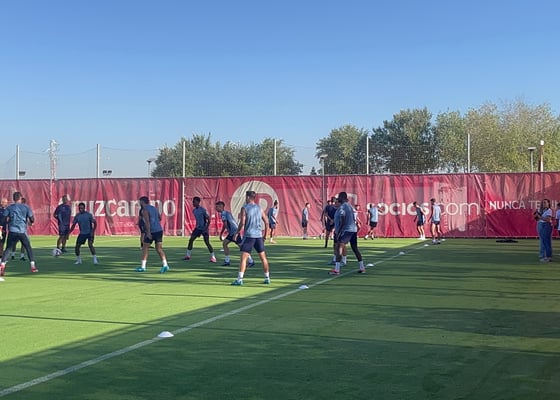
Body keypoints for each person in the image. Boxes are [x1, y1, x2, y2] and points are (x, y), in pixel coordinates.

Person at [231, 191, 271, 286]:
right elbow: (266, 222)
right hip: (258, 236)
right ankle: (267, 278)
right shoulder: (259, 208)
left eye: (246, 197)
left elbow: (242, 222)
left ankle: (240, 279)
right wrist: (265, 235)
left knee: (243, 258)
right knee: (263, 258)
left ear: (248, 197)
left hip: (249, 236)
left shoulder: (245, 208)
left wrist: (237, 232)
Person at [0, 192, 38, 277]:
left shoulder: (10, 207)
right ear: (20, 198)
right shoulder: (26, 207)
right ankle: (33, 266)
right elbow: (32, 218)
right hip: (22, 231)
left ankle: (2, 264)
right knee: (28, 248)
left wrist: (2, 226)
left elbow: (3, 218)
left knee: (8, 249)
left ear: (13, 199)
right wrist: (31, 222)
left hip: (12, 231)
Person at [329, 191, 366, 275]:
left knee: (339, 247)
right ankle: (362, 267)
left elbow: (343, 218)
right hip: (353, 230)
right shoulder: (349, 206)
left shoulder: (343, 207)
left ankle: (337, 269)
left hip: (347, 230)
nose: (338, 199)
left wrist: (339, 231)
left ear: (342, 198)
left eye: (339, 197)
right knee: (354, 248)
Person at [136, 196, 170, 273]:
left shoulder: (144, 210)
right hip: (159, 230)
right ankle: (165, 265)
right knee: (159, 249)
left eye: (140, 202)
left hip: (151, 231)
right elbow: (159, 218)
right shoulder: (154, 208)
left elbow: (147, 222)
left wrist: (148, 233)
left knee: (145, 248)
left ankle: (143, 266)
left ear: (142, 202)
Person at [216, 201, 254, 267]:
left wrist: (223, 233)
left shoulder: (223, 213)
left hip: (234, 232)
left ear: (220, 206)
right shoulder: (226, 212)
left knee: (241, 247)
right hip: (233, 231)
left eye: (217, 207)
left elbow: (225, 224)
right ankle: (227, 261)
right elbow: (227, 223)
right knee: (225, 243)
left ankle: (251, 261)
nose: (216, 208)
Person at [184, 196, 216, 263]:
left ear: (198, 202)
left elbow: (209, 219)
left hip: (204, 228)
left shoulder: (203, 210)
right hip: (198, 228)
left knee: (207, 242)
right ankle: (188, 255)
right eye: (193, 202)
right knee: (191, 240)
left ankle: (213, 257)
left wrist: (206, 228)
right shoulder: (194, 211)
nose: (193, 203)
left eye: (194, 202)